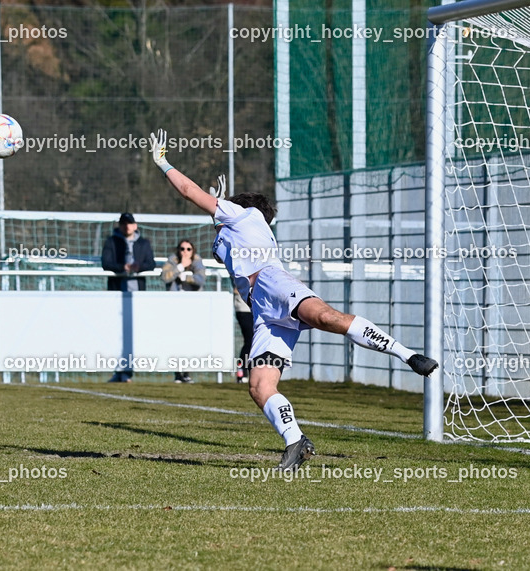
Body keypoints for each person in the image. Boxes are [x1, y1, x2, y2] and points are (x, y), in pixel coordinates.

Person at [148, 128, 438, 472]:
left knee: (326, 317)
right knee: (259, 385)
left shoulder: (246, 215)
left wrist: (163, 163)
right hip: (263, 310)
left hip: (273, 283)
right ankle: (296, 441)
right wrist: (217, 213)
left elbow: (189, 191)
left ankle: (408, 355)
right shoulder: (233, 225)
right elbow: (225, 235)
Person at [101, 212, 155, 382]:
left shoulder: (144, 243)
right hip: (117, 292)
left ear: (135, 225)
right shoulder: (111, 242)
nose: (127, 226)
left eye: (129, 223)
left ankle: (129, 369)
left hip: (138, 295)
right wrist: (121, 267)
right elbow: (105, 263)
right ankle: (120, 370)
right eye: (123, 223)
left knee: (135, 332)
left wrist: (138, 267)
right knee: (116, 332)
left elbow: (151, 264)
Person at [161, 239, 207, 383]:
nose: (185, 252)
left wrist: (186, 277)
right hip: (175, 306)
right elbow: (165, 276)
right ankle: (177, 373)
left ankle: (186, 372)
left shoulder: (197, 261)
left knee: (190, 338)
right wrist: (180, 267)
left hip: (193, 306)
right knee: (176, 338)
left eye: (188, 249)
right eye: (182, 249)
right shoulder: (173, 261)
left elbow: (201, 279)